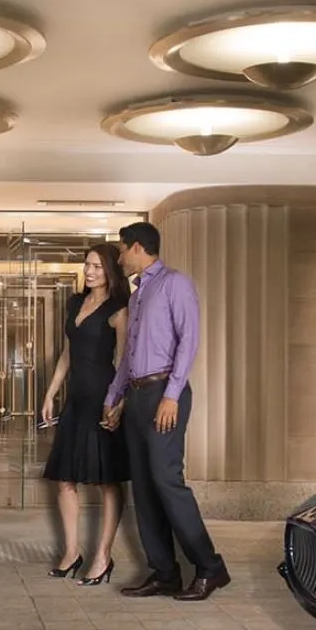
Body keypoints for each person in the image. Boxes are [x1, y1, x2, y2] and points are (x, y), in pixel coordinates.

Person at [102, 221, 229, 601]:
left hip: (163, 394)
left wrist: (171, 396)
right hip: (138, 396)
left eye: (122, 250)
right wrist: (114, 396)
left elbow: (188, 342)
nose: (120, 258)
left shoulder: (175, 283)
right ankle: (164, 572)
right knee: (143, 486)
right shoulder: (138, 295)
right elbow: (129, 355)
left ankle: (210, 568)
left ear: (138, 247)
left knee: (167, 481)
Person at [38, 242, 130, 585]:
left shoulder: (119, 308)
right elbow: (68, 354)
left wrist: (118, 402)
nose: (89, 272)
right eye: (87, 265)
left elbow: (123, 360)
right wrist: (50, 394)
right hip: (76, 401)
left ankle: (103, 556)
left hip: (103, 399)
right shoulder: (76, 302)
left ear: (110, 272)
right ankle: (71, 552)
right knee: (65, 479)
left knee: (107, 481)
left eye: (97, 267)